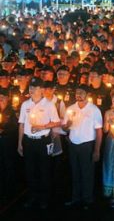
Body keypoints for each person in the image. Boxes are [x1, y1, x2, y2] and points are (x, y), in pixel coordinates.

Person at [18, 78, 60, 209]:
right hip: (28, 141)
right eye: (31, 87)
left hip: (43, 141)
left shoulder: (48, 105)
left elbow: (56, 122)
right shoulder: (25, 104)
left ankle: (44, 198)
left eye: (35, 87)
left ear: (42, 90)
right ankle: (32, 196)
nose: (31, 90)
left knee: (44, 170)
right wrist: (20, 143)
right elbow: (21, 124)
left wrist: (42, 127)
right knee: (30, 170)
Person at [63, 84, 103, 210]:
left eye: (81, 92)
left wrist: (97, 150)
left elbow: (99, 131)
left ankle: (87, 199)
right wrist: (66, 125)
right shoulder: (70, 108)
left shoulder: (94, 110)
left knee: (87, 173)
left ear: (87, 95)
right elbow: (65, 127)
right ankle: (76, 198)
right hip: (73, 144)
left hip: (87, 145)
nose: (78, 95)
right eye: (77, 92)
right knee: (75, 172)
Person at [0, 88, 18, 204]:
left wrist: (3, 130)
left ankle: (9, 192)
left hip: (8, 144)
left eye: (3, 97)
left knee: (8, 167)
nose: (0, 100)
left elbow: (15, 128)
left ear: (7, 99)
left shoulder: (12, 112)